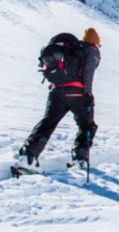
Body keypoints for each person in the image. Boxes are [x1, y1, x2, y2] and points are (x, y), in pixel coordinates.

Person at [17, 28, 101, 171]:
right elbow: (89, 71)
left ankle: (28, 157)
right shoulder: (91, 49)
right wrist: (87, 93)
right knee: (87, 125)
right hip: (77, 93)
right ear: (95, 41)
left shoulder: (68, 49)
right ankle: (79, 158)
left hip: (56, 91)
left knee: (48, 122)